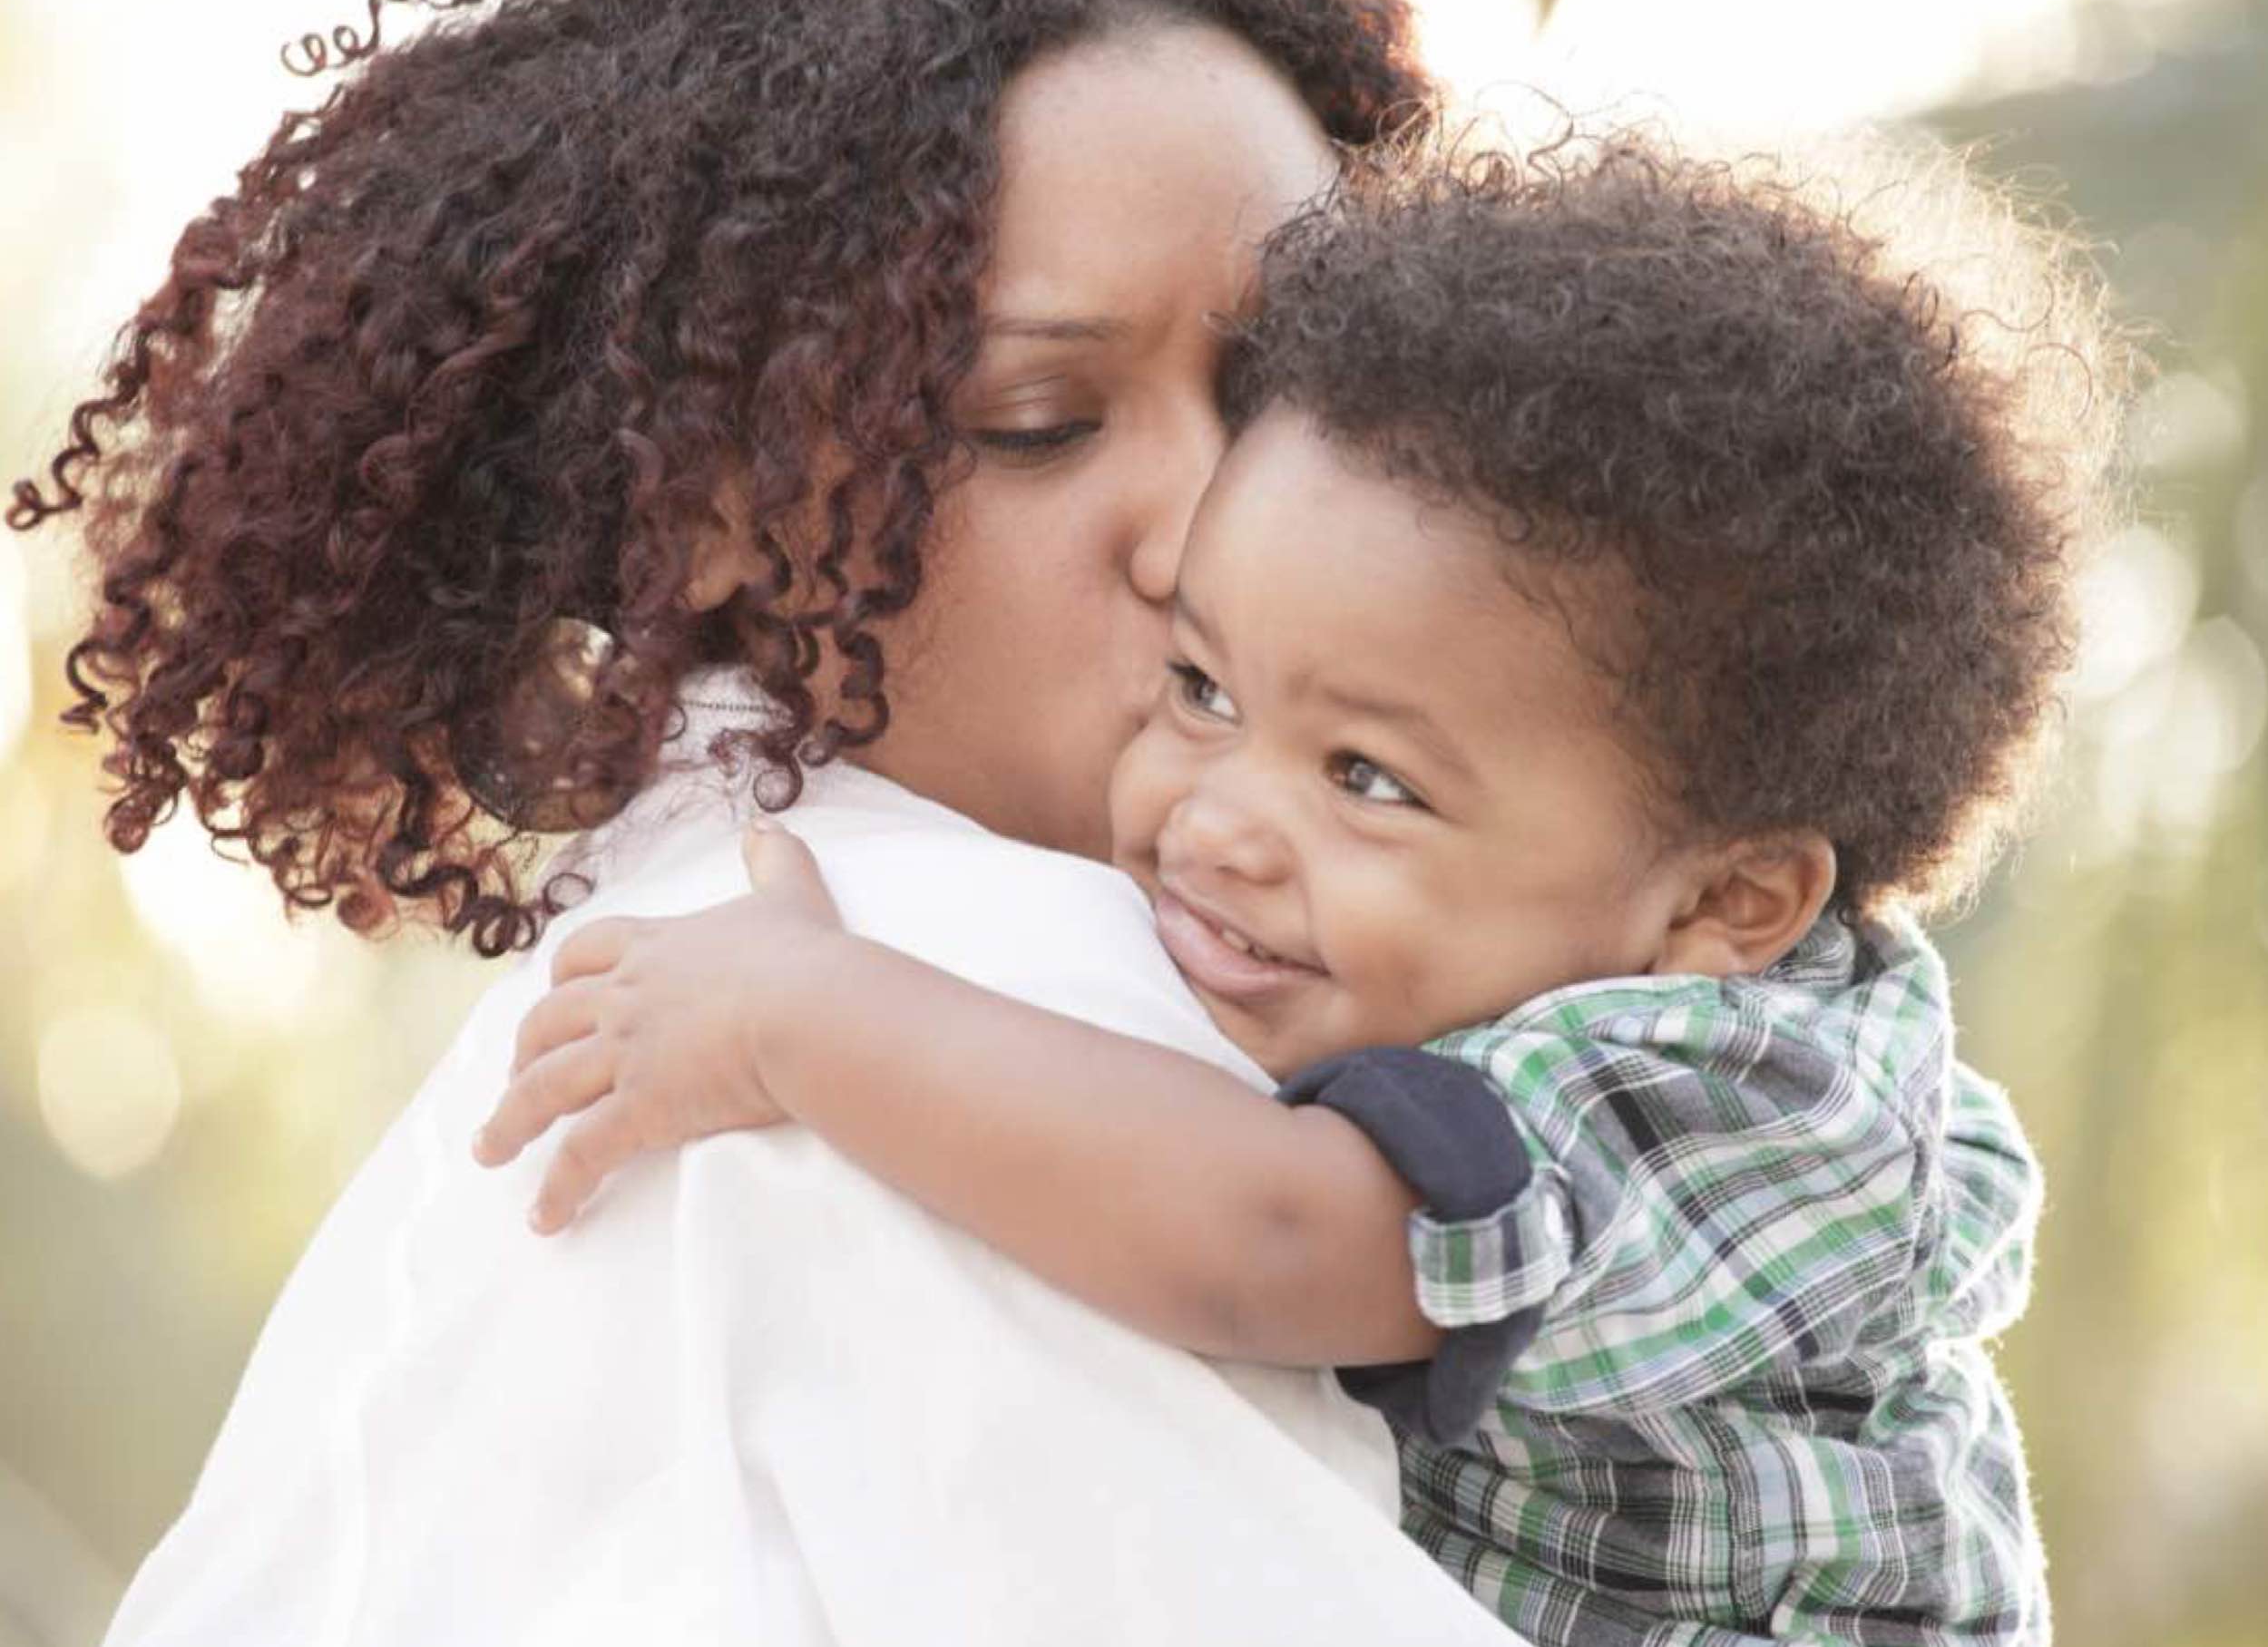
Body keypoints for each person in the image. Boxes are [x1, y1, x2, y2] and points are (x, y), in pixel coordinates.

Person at [11, 0, 1528, 1642]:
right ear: (699, 509)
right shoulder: (940, 1010)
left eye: (1285, 390)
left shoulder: (704, 954)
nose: (1208, 527)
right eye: (1037, 421)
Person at [486, 132, 2131, 1643]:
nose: (1218, 825)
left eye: (1369, 781)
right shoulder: (1501, 947)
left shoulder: (1722, 1093)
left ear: (1733, 906)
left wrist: (808, 1016)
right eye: (1203, 690)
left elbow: (1266, 1234)